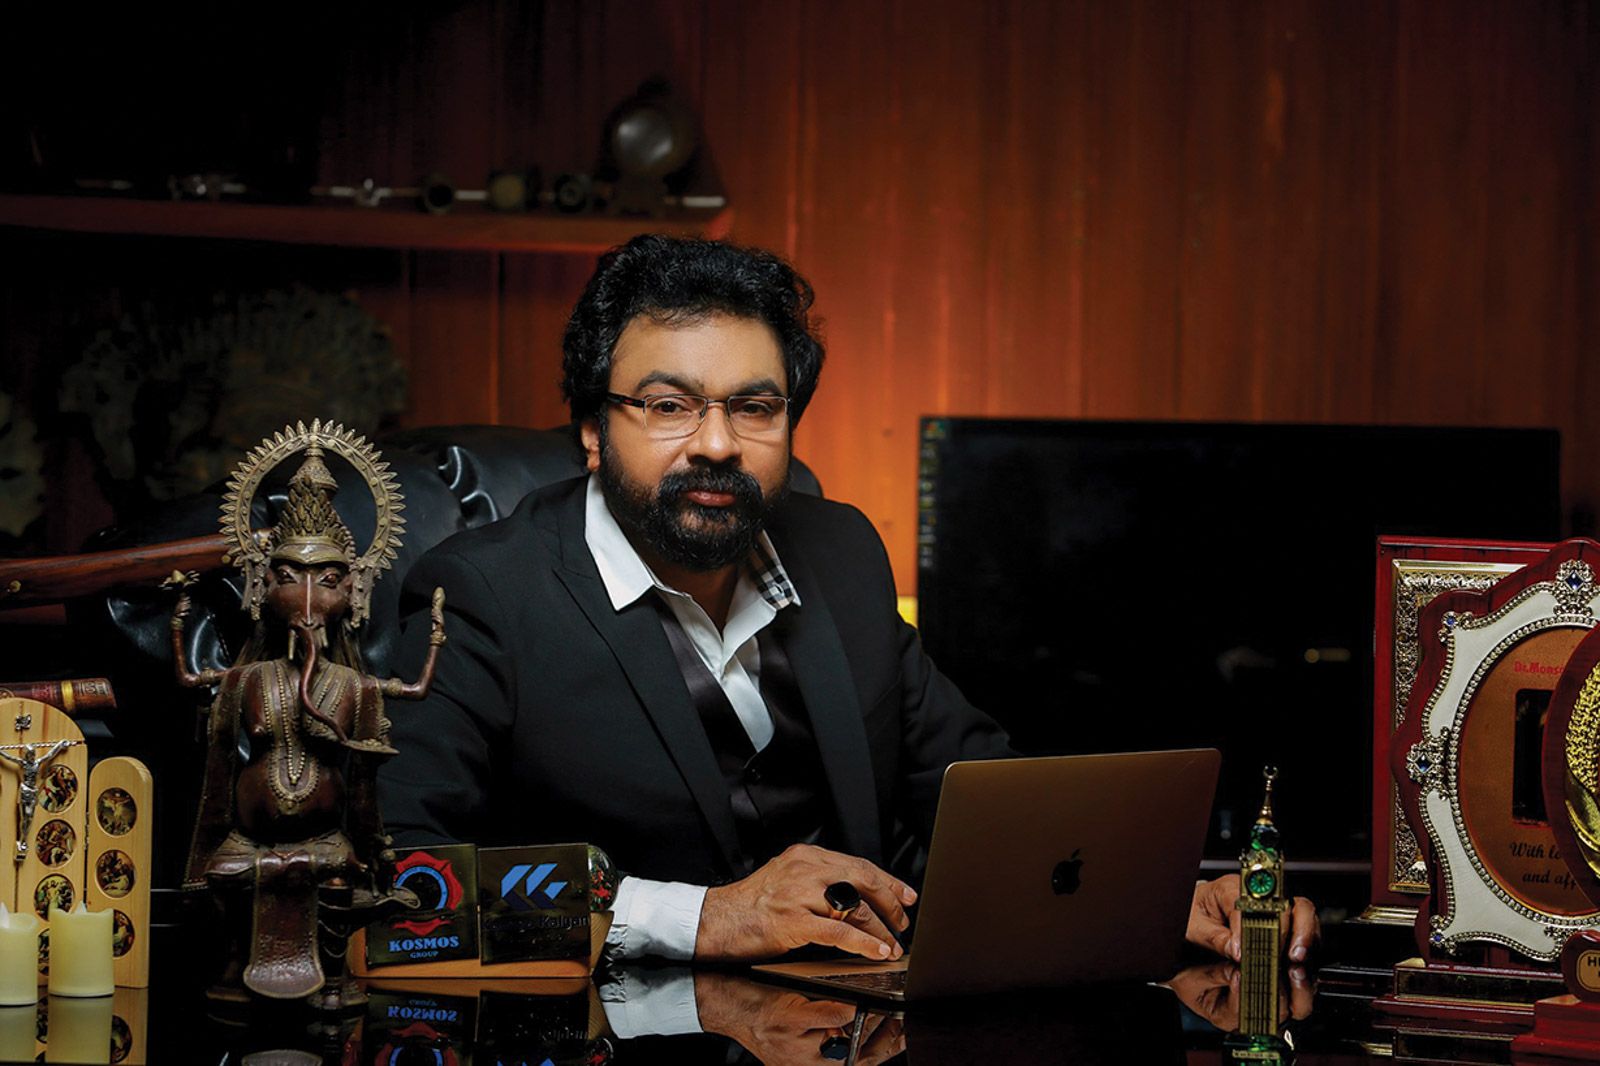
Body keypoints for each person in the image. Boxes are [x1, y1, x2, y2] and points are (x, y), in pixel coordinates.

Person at [379, 234, 1317, 966]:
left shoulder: (842, 553)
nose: (717, 444)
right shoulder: (483, 594)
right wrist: (707, 918)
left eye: (755, 407)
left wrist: (1155, 894)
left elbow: (979, 795)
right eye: (669, 406)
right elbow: (394, 876)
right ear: (592, 428)